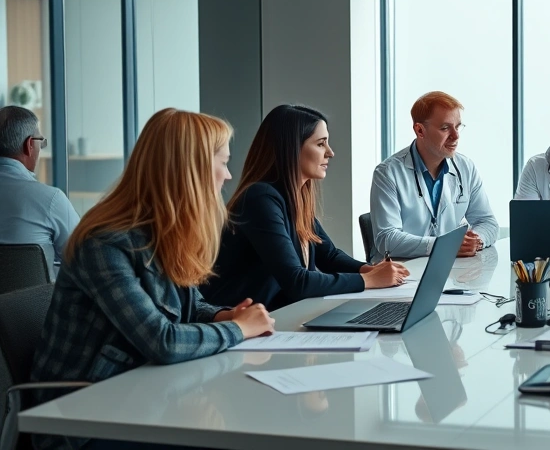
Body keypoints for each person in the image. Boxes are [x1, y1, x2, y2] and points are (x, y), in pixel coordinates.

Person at [31, 108, 276, 450]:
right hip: (82, 423)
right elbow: (161, 341)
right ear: (190, 171)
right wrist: (239, 329)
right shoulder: (104, 243)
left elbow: (187, 305)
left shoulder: (163, 233)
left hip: (140, 397)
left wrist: (223, 315)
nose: (228, 175)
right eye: (222, 162)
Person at [202, 105, 408, 310]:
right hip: (241, 326)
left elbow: (329, 256)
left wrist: (370, 269)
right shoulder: (260, 198)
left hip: (278, 317)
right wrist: (369, 280)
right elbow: (297, 282)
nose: (331, 153)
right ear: (291, 149)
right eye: (321, 144)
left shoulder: (293, 196)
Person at [370, 91, 498, 261]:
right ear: (420, 130)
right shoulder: (388, 173)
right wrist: (442, 246)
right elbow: (387, 239)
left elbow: (488, 222)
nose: (456, 135)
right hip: (402, 273)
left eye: (458, 126)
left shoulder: (465, 168)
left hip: (449, 270)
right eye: (445, 128)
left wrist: (476, 241)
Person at [0, 105, 79, 267]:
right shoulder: (51, 199)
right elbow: (83, 259)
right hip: (36, 293)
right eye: (40, 142)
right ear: (29, 145)